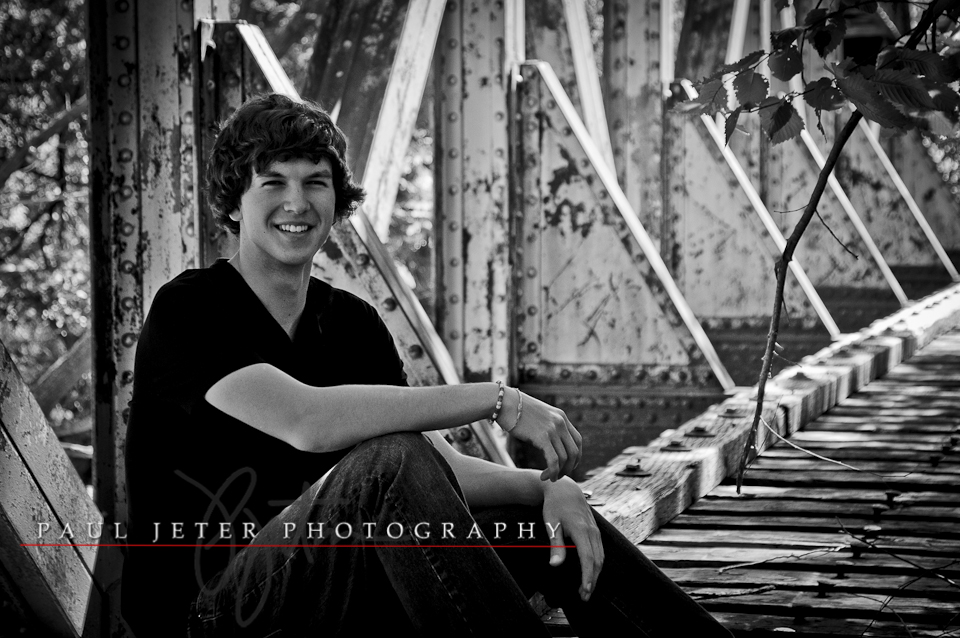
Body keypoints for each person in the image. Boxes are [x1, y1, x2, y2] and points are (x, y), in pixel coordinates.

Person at [120, 92, 732, 637]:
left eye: (315, 183)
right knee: (390, 459)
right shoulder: (190, 310)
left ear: (337, 200)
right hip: (211, 613)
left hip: (334, 586)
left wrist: (548, 487)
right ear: (234, 202)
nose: (296, 202)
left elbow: (434, 472)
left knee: (532, 522)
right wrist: (499, 400)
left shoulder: (352, 323)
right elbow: (308, 421)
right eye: (272, 183)